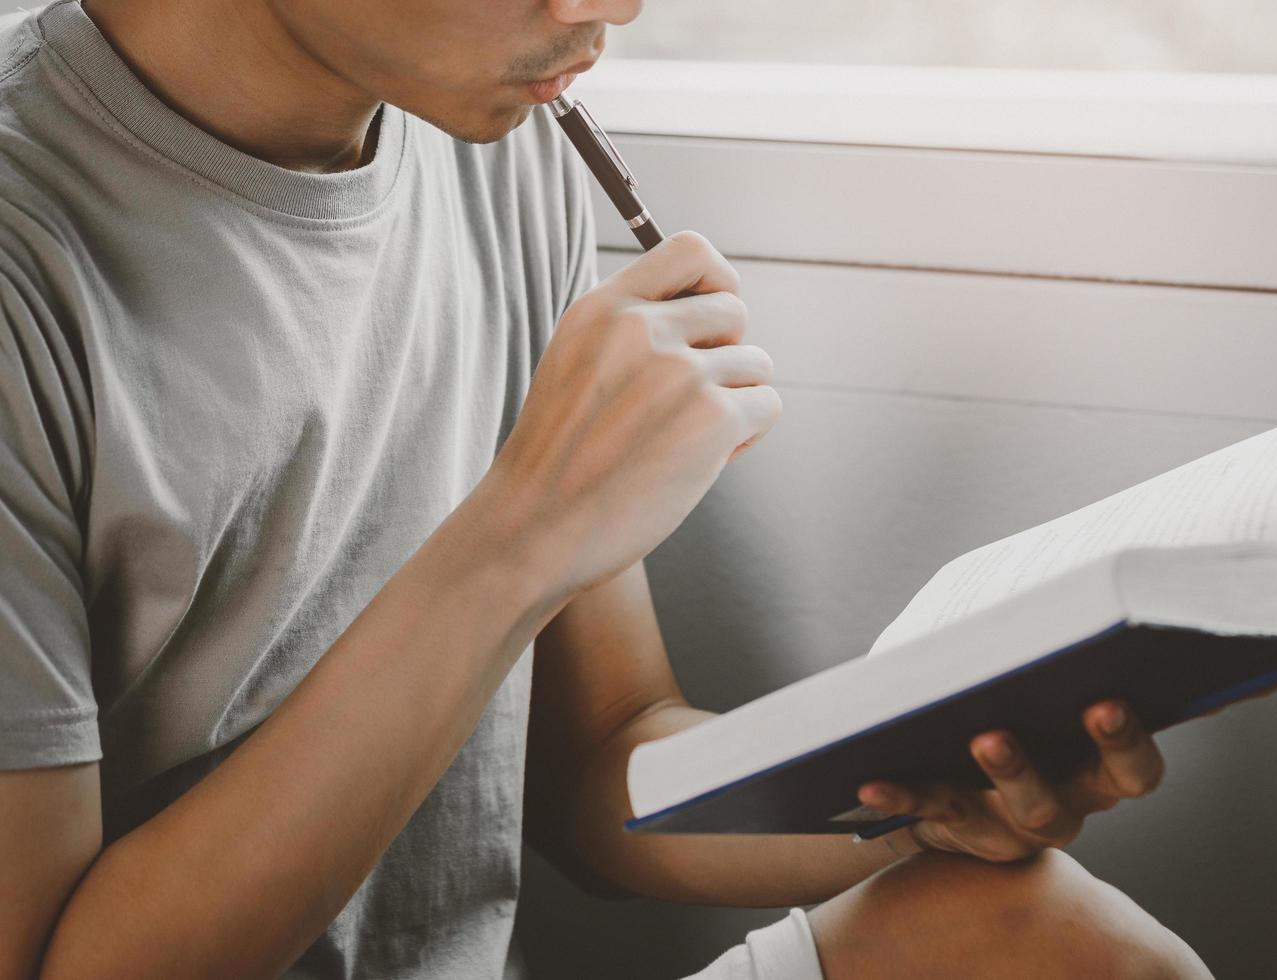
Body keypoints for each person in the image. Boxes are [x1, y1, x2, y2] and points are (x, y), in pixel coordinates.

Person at [0, 0, 1214, 976]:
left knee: (1057, 938)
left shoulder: (487, 137)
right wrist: (518, 538)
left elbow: (604, 766)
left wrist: (908, 795)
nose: (610, 7)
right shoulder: (27, 265)